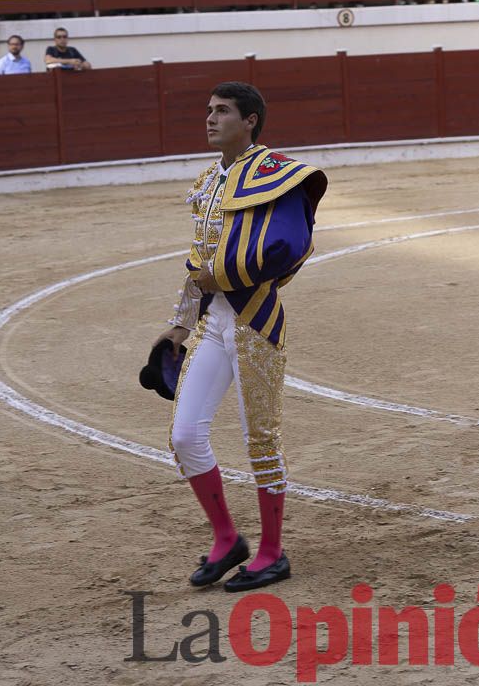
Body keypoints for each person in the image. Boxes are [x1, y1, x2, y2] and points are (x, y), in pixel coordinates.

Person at [156, 81, 327, 592]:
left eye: (222, 111)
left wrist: (222, 279)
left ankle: (273, 552)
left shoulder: (277, 173)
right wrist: (180, 322)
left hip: (256, 319)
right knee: (185, 434)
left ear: (250, 120)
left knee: (261, 439)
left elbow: (293, 246)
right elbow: (198, 263)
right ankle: (227, 538)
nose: (210, 119)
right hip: (213, 322)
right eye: (208, 110)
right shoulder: (210, 179)